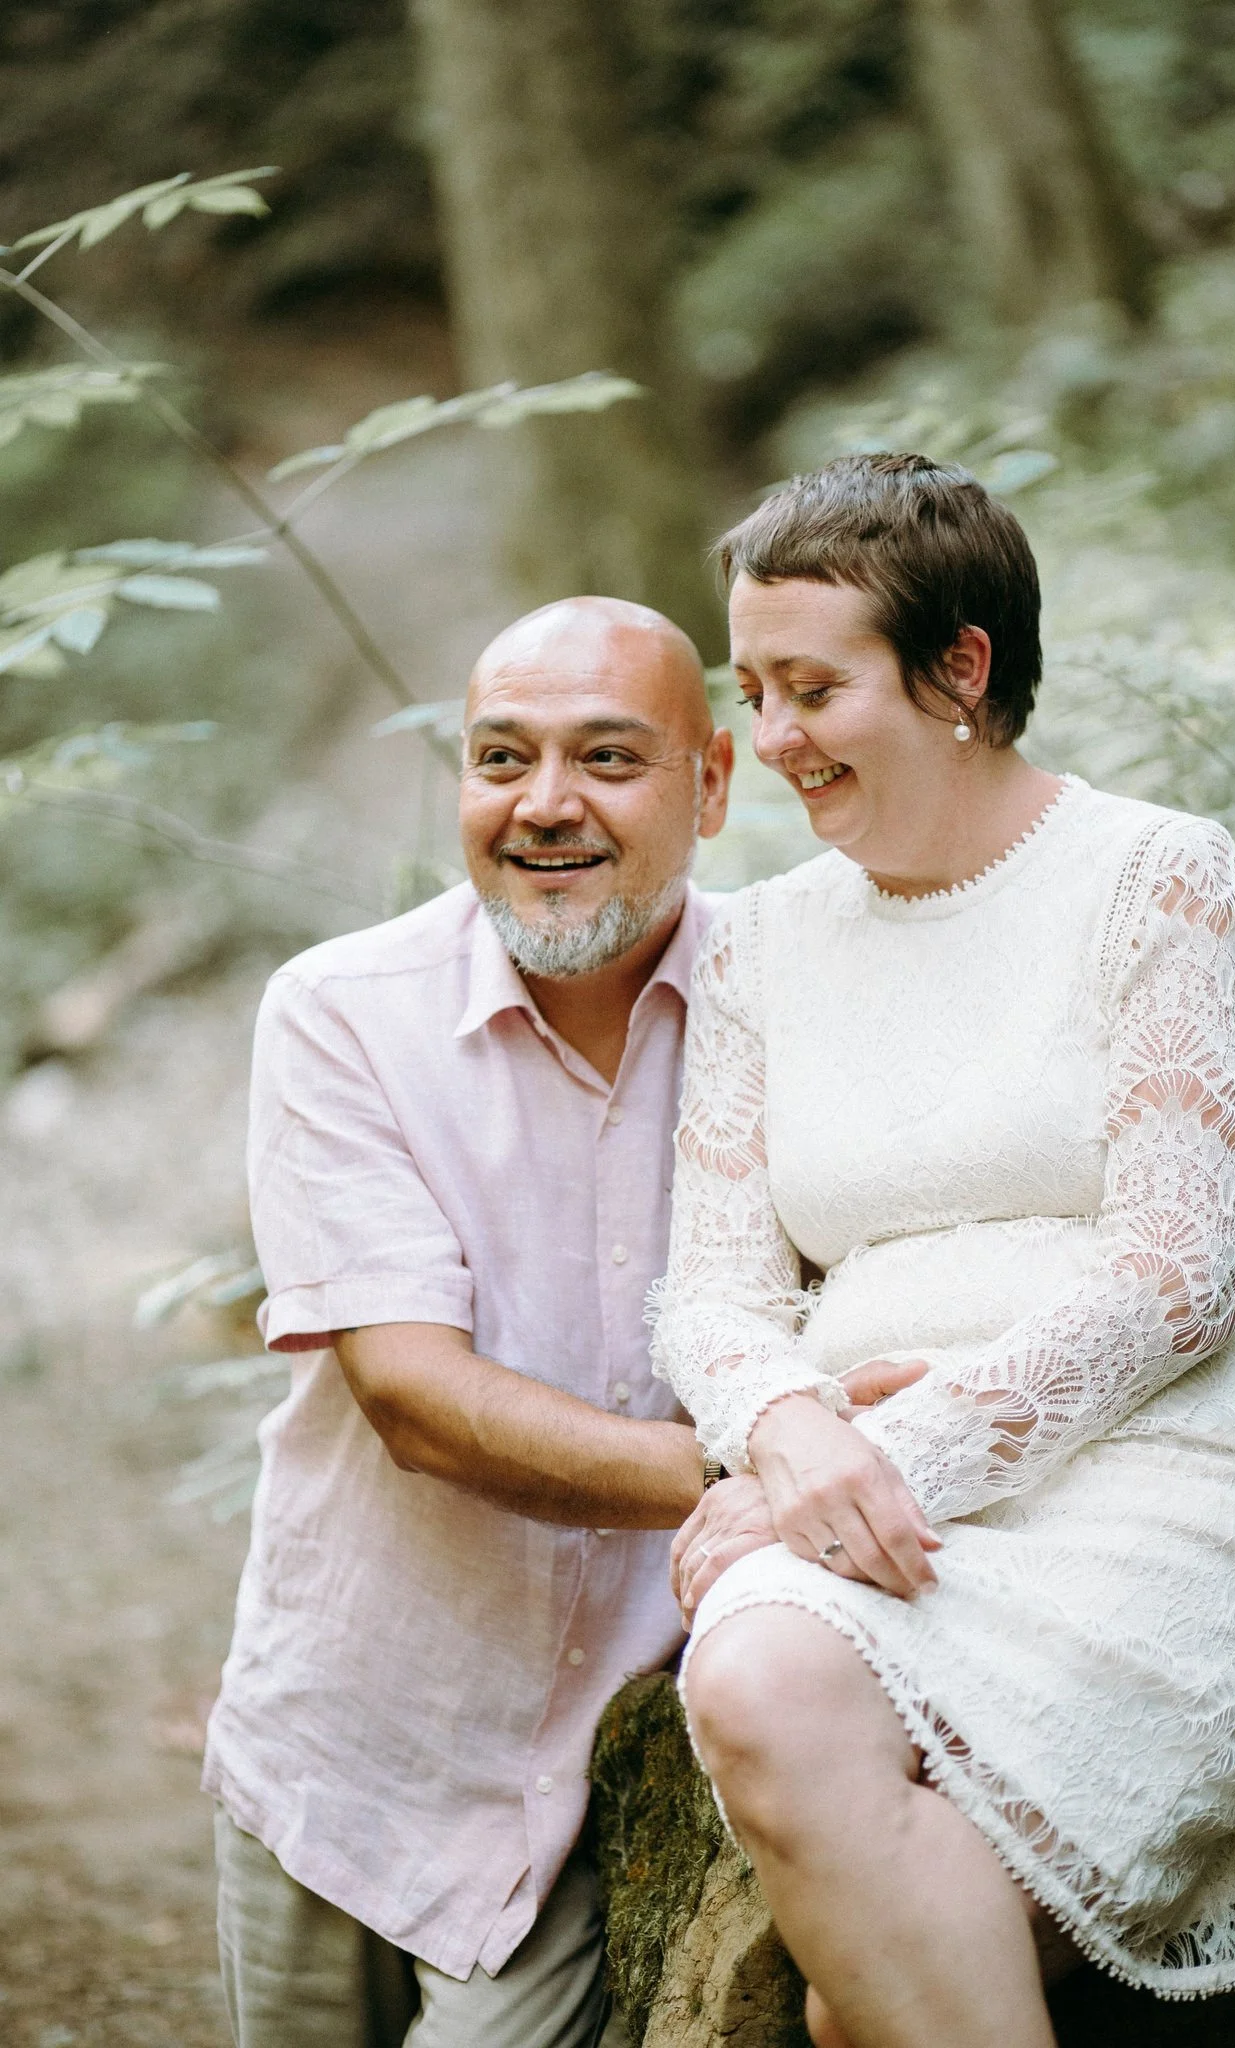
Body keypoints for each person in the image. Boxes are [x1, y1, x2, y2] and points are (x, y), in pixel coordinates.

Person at [650, 454, 1235, 2048]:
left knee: (858, 2013)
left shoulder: (1154, 873)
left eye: (812, 688)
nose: (769, 741)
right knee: (758, 1684)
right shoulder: (760, 942)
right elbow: (712, 1288)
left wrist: (880, 1457)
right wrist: (785, 1431)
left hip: (1158, 1467)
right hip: (855, 1499)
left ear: (959, 668)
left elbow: (1180, 1270)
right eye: (751, 688)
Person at [202, 594, 745, 2048]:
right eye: (502, 758)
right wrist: (776, 1481)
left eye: (608, 760)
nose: (544, 806)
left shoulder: (790, 1011)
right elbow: (415, 1402)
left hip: (591, 1782)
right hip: (353, 1730)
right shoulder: (342, 1014)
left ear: (715, 781)